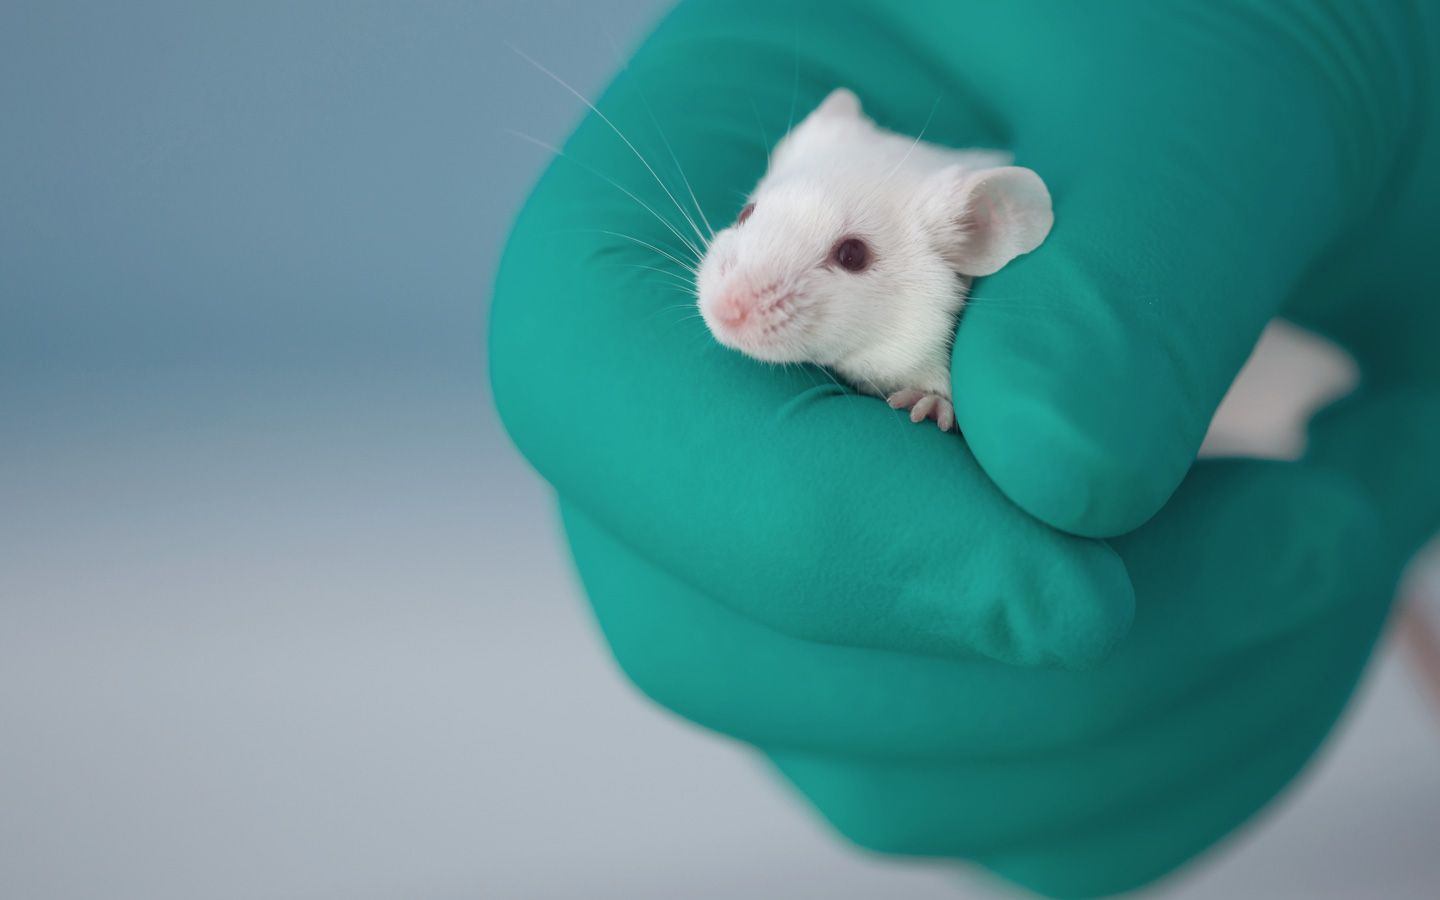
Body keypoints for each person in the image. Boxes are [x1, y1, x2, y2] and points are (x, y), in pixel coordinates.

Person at [489, 1, 1440, 894]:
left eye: (851, 255)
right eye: (744, 220)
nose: (738, 288)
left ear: (981, 232)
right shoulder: (827, 161)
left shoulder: (972, 265)